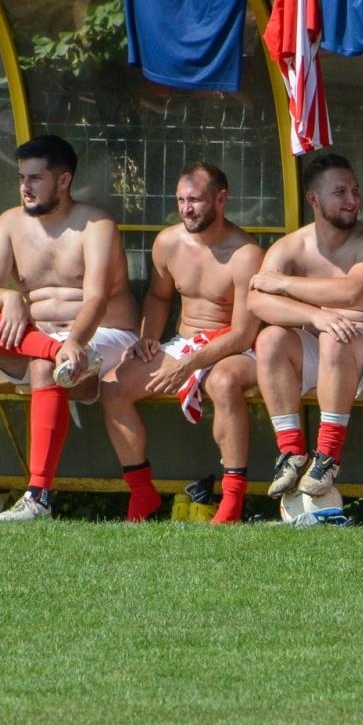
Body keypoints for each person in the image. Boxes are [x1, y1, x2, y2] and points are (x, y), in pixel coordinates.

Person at [0, 134, 140, 522]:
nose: (25, 187)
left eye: (35, 178)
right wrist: (10, 298)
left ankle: (37, 497)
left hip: (102, 337)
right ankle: (54, 356)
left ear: (64, 180)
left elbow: (96, 299)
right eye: (22, 178)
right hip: (44, 344)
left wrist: (73, 341)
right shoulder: (9, 222)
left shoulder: (96, 224)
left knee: (44, 365)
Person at [100, 163, 263, 524]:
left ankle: (232, 502)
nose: (186, 208)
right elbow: (159, 299)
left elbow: (243, 333)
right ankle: (142, 493)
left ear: (221, 200)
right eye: (181, 199)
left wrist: (189, 365)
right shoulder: (168, 242)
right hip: (183, 343)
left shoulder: (246, 253)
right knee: (112, 387)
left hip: (233, 347)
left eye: (196, 200)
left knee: (222, 384)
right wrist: (149, 339)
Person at [247, 153, 363, 499]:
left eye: (355, 191)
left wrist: (285, 284)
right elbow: (256, 301)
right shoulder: (290, 246)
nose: (352, 200)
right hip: (326, 344)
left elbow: (351, 292)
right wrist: (314, 316)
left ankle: (328, 456)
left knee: (334, 337)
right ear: (313, 200)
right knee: (270, 339)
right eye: (340, 192)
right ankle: (290, 451)